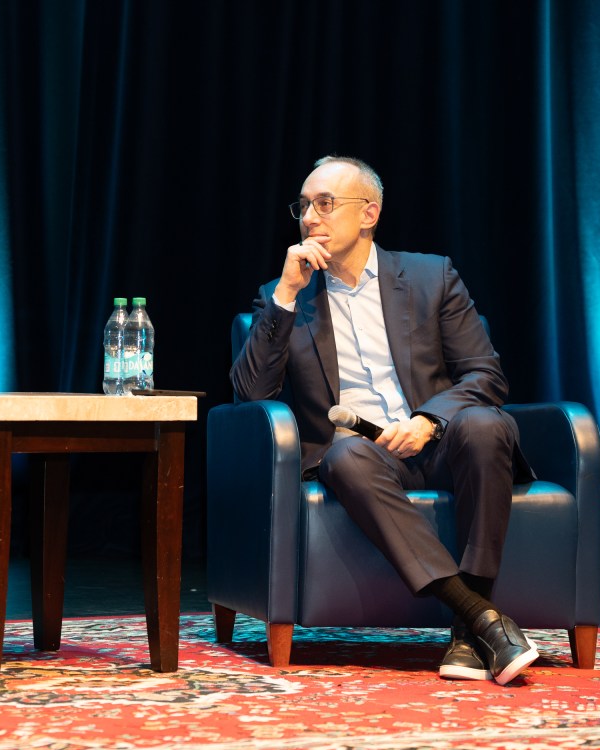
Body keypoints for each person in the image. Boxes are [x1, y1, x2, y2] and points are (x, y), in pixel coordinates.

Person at [231, 155, 539, 685]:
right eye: (303, 206)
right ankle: (481, 620)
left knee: (487, 425)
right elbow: (250, 396)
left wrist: (428, 421)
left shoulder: (430, 276)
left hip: (441, 444)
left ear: (369, 212)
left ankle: (471, 627)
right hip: (365, 461)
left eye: (325, 204)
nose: (310, 218)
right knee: (343, 452)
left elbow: (485, 375)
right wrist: (285, 295)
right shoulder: (286, 298)